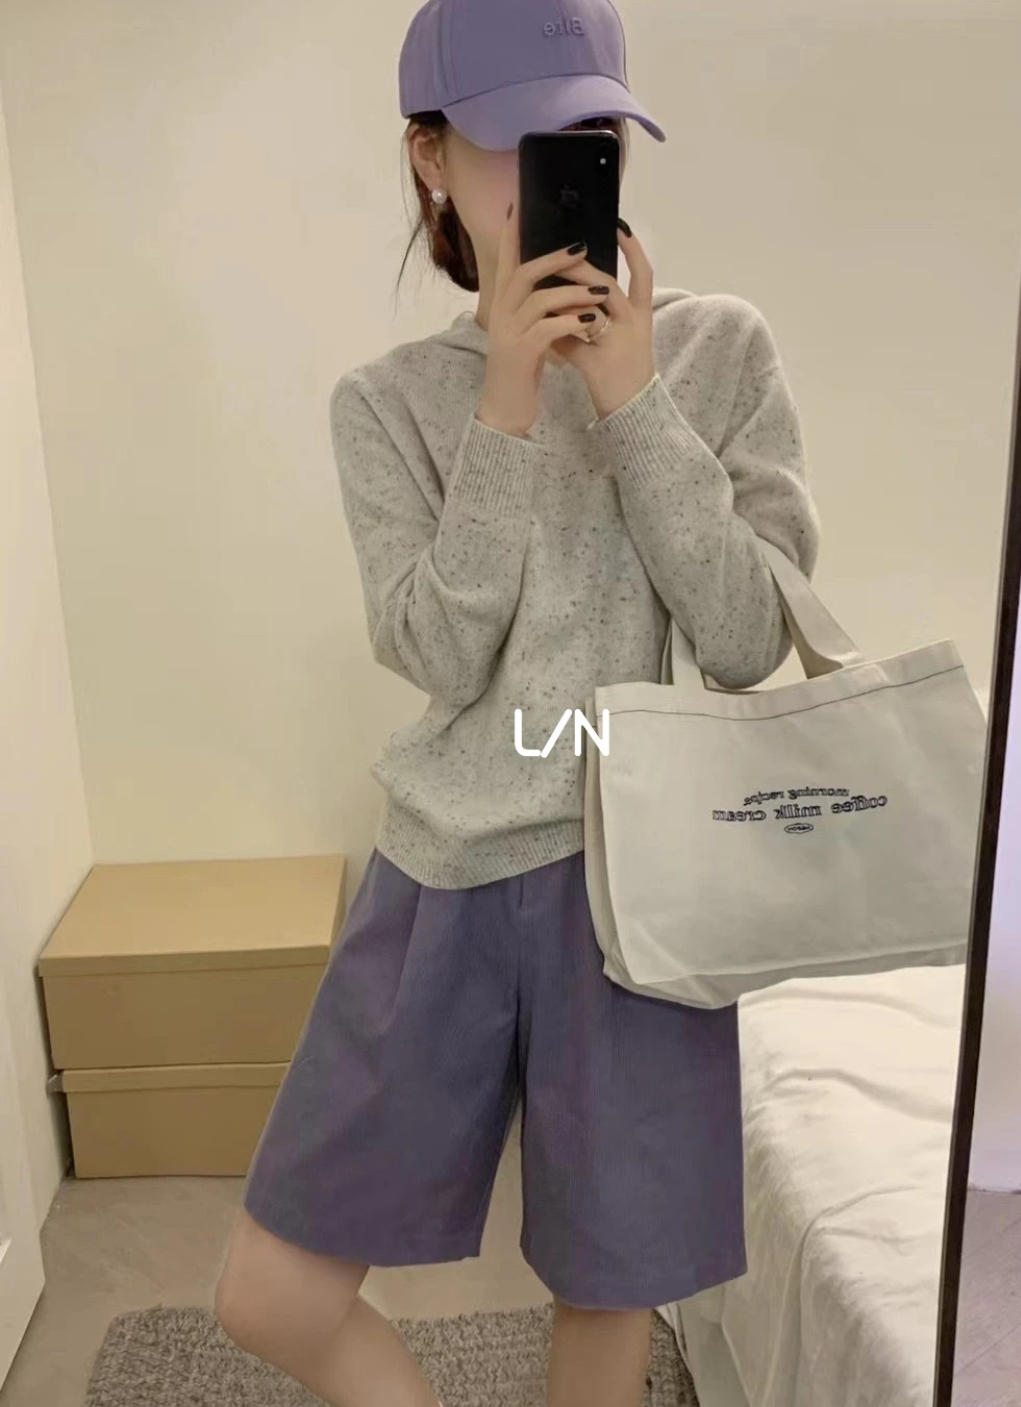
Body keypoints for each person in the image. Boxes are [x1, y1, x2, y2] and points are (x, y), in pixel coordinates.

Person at [214, 0, 821, 1403]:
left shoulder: (718, 351)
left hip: (644, 890)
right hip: (444, 877)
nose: (559, 166)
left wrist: (634, 403)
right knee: (269, 1292)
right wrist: (502, 401)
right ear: (428, 157)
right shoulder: (385, 404)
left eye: (591, 132)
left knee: (607, 1292)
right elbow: (440, 651)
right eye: (516, 140)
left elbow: (746, 641)